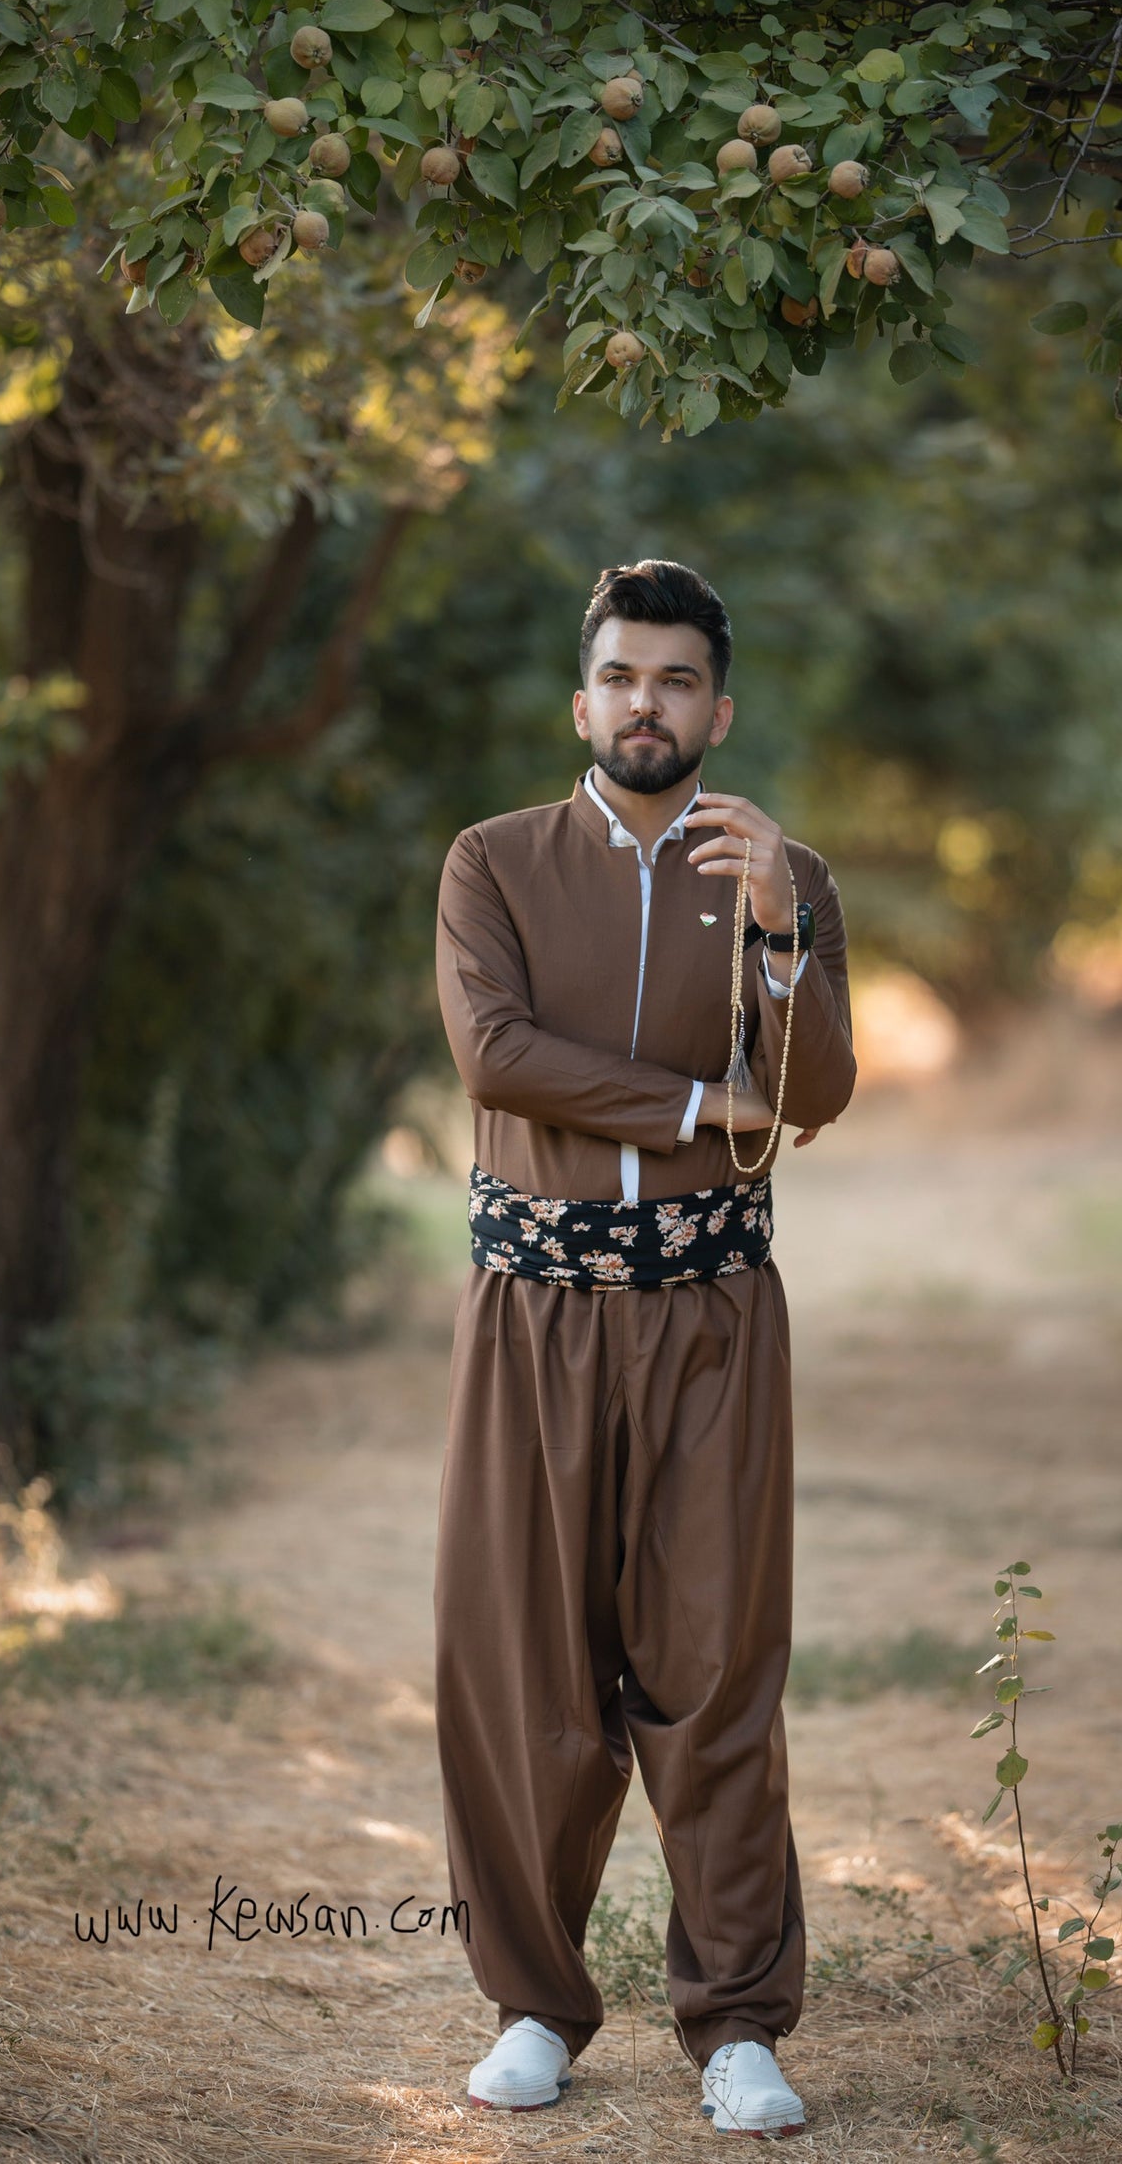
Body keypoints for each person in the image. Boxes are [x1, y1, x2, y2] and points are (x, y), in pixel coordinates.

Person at [432, 558, 857, 2138]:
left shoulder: (781, 870)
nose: (646, 705)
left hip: (712, 1318)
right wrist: (693, 1104)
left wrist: (777, 940)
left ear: (717, 710)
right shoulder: (492, 863)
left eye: (678, 682)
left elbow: (810, 1092)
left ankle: (737, 2021)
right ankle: (532, 2004)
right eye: (621, 676)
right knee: (522, 1664)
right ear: (582, 699)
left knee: (716, 1671)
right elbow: (494, 1052)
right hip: (531, 1317)